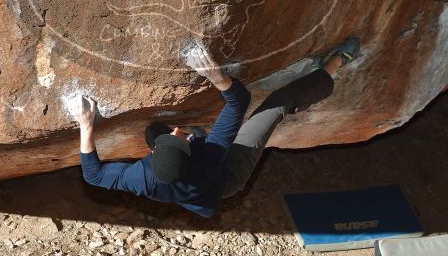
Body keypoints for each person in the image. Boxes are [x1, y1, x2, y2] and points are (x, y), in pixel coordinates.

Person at [72, 37, 361, 218]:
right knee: (276, 105)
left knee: (153, 130)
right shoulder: (211, 156)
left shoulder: (138, 178)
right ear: (193, 152)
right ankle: (334, 64)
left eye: (175, 136)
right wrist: (217, 77)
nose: (177, 131)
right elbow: (239, 102)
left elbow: (93, 174)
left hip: (186, 181)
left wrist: (86, 126)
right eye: (181, 137)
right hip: (227, 176)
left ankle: (172, 139)